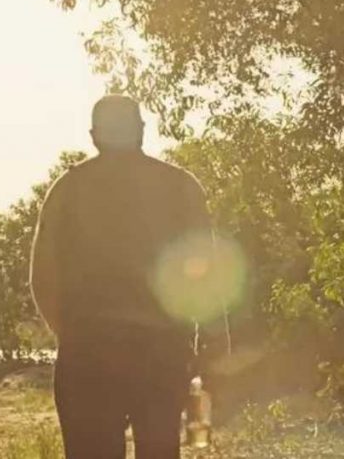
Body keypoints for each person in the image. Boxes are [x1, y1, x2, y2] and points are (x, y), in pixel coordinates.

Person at [30, 95, 212, 459]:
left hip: (87, 351)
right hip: (161, 353)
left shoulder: (67, 189)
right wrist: (199, 349)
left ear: (94, 136)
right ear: (142, 131)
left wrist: (75, 337)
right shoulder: (181, 187)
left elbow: (42, 278)